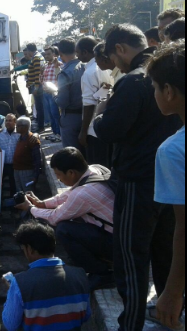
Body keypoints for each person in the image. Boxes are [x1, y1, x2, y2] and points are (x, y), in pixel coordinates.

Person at [94, 24, 183, 331]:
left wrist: (101, 111)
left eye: (112, 56)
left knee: (131, 257)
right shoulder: (164, 73)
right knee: (164, 252)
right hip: (168, 183)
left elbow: (109, 129)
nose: (113, 64)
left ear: (120, 48)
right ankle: (171, 315)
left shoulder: (133, 81)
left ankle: (130, 324)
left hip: (138, 182)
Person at [16, 147, 115, 290]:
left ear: (71, 172)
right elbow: (67, 195)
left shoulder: (83, 194)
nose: (58, 179)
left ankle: (102, 273)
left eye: (59, 175)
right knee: (72, 221)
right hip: (120, 234)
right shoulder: (94, 170)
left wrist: (30, 208)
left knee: (64, 229)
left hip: (116, 244)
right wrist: (41, 203)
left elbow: (54, 217)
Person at [147, 41, 185, 331]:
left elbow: (183, 228)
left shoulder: (173, 150)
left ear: (169, 91)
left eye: (155, 87)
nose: (155, 93)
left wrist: (172, 292)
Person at [3, 222, 91, 331]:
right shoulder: (80, 275)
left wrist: (12, 290)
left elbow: (11, 325)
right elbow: (86, 315)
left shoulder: (19, 283)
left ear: (30, 249)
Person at [76, 36, 113, 168]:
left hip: (94, 129)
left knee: (97, 167)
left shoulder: (89, 73)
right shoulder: (109, 66)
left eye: (78, 52)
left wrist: (83, 131)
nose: (77, 56)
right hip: (108, 125)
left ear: (85, 52)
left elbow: (89, 103)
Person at [55, 38, 86, 156]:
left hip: (71, 118)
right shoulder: (85, 66)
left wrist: (54, 95)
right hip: (88, 115)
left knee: (72, 155)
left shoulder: (65, 73)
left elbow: (62, 102)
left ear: (60, 54)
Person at [12, 117, 41, 193]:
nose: (16, 127)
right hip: (17, 170)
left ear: (25, 127)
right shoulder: (19, 137)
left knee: (28, 194)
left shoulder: (32, 140)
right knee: (20, 193)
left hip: (27, 171)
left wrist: (35, 176)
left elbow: (37, 160)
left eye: (17, 126)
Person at [0, 114, 19, 198]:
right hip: (2, 164)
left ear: (15, 122)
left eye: (10, 120)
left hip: (14, 165)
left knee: (14, 186)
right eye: (6, 120)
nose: (8, 122)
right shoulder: (0, 134)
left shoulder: (19, 133)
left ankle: (14, 205)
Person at [41, 46, 63, 141]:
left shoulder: (58, 65)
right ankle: (54, 133)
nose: (47, 56)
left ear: (54, 54)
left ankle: (59, 134)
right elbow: (43, 79)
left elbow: (60, 78)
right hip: (46, 93)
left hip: (54, 93)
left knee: (55, 114)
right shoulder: (46, 66)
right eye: (45, 54)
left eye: (49, 54)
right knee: (50, 115)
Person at [26, 43, 46, 132]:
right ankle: (40, 124)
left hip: (37, 85)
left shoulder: (36, 58)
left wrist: (36, 88)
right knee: (39, 106)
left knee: (39, 107)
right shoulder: (37, 57)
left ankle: (41, 126)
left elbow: (38, 74)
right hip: (36, 85)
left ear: (30, 51)